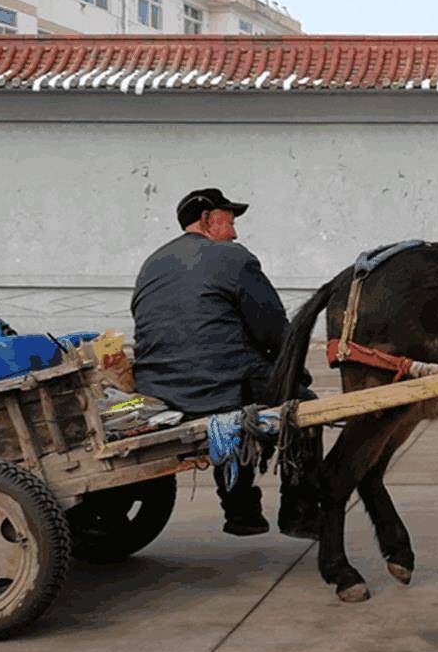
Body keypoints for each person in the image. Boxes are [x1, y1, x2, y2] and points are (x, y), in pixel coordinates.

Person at [131, 188, 319, 538]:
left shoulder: (152, 264)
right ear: (206, 220)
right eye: (229, 223)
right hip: (218, 387)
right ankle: (299, 513)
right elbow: (273, 329)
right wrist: (296, 374)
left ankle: (242, 510)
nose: (235, 233)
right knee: (304, 407)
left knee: (232, 389)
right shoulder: (232, 258)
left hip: (155, 389)